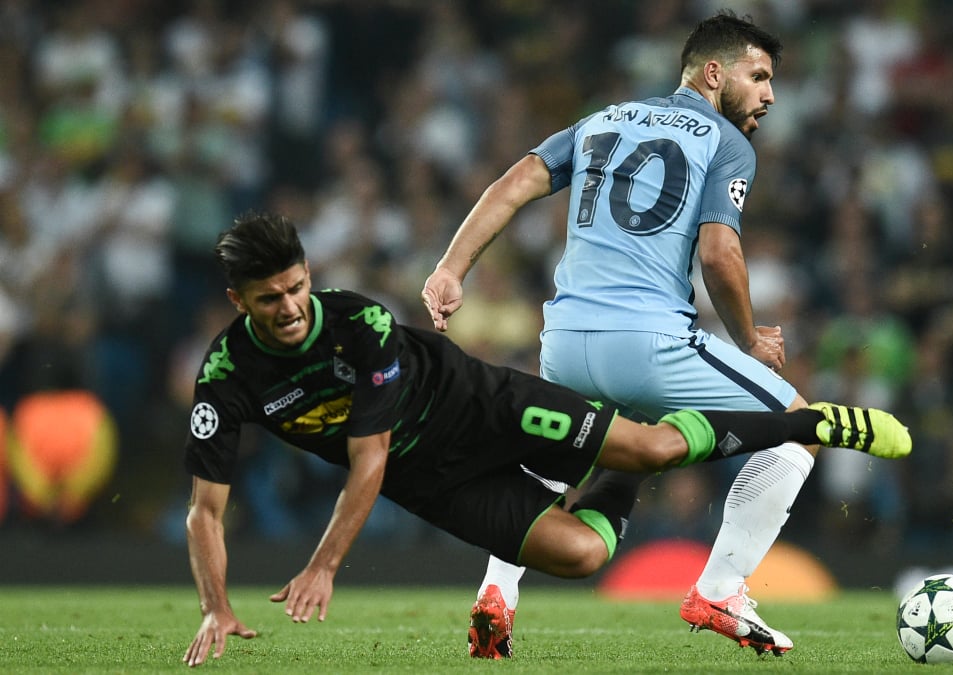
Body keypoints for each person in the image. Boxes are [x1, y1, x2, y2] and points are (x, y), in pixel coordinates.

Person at [181, 212, 910, 667]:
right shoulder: (225, 374)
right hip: (435, 483)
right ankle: (617, 466)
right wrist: (216, 603)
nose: (289, 307)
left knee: (653, 447)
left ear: (309, 274)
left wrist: (323, 565)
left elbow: (367, 456)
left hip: (484, 407)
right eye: (269, 297)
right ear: (236, 302)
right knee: (586, 551)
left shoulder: (356, 324)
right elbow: (205, 511)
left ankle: (809, 422)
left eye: (296, 286)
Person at [422, 10, 910, 659]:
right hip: (646, 341)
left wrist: (451, 269)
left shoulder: (600, 119)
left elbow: (513, 185)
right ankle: (721, 587)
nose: (769, 94)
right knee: (796, 427)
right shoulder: (727, 141)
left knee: (564, 466)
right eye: (758, 76)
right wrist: (749, 338)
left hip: (565, 340)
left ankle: (496, 595)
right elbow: (718, 253)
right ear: (714, 73)